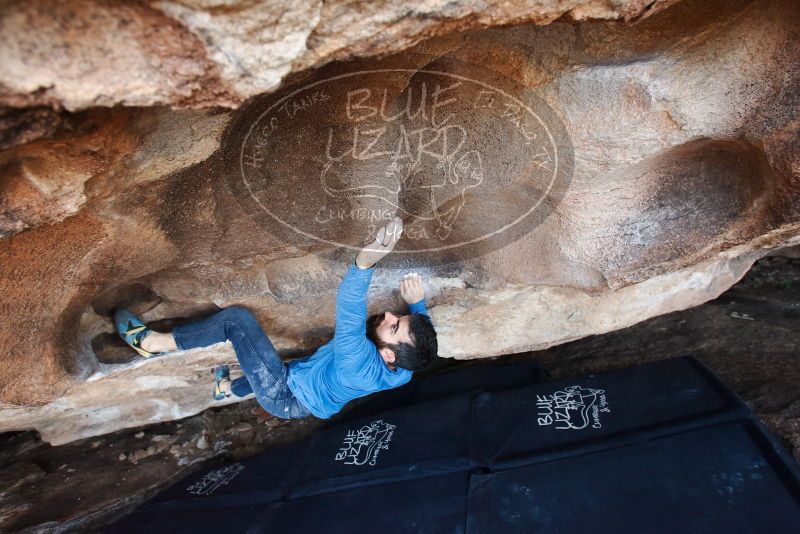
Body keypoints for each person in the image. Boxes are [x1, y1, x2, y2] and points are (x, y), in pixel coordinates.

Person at [113, 217, 438, 420]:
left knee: (237, 322)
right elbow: (420, 346)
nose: (393, 314)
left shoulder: (357, 362)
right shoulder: (404, 372)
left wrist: (366, 261)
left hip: (286, 395)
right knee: (271, 368)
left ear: (387, 354)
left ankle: (155, 344)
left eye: (394, 325)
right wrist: (418, 305)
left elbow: (350, 306)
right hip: (306, 393)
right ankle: (225, 390)